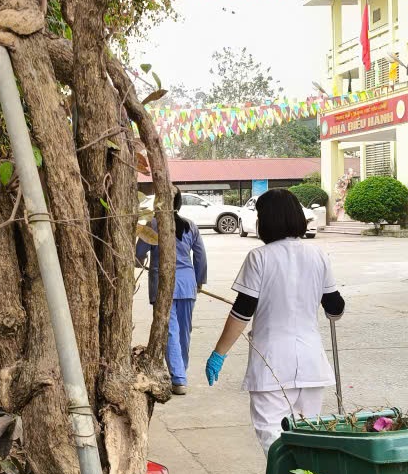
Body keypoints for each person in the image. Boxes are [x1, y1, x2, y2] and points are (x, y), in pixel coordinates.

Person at [203, 188, 345, 454]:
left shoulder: (259, 257)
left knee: (273, 437)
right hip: (311, 363)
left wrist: (218, 353)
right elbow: (335, 306)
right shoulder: (319, 256)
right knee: (308, 436)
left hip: (272, 363)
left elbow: (242, 312)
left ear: (267, 220)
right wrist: (330, 308)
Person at [136, 189, 207, 395]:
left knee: (170, 331)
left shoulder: (153, 226)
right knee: (184, 331)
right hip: (187, 284)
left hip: (163, 285)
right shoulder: (190, 226)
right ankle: (180, 373)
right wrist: (199, 281)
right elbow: (200, 256)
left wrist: (139, 262)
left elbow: (139, 255)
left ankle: (178, 377)